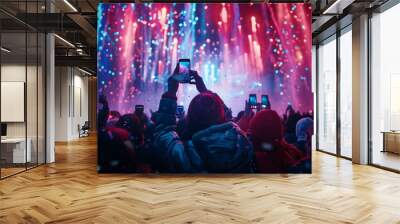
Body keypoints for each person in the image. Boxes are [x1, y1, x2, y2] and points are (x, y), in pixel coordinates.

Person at [151, 65, 253, 173]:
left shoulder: (185, 155)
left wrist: (171, 92)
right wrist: (204, 91)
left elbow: (163, 133)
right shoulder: (243, 144)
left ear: (189, 119)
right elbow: (227, 116)